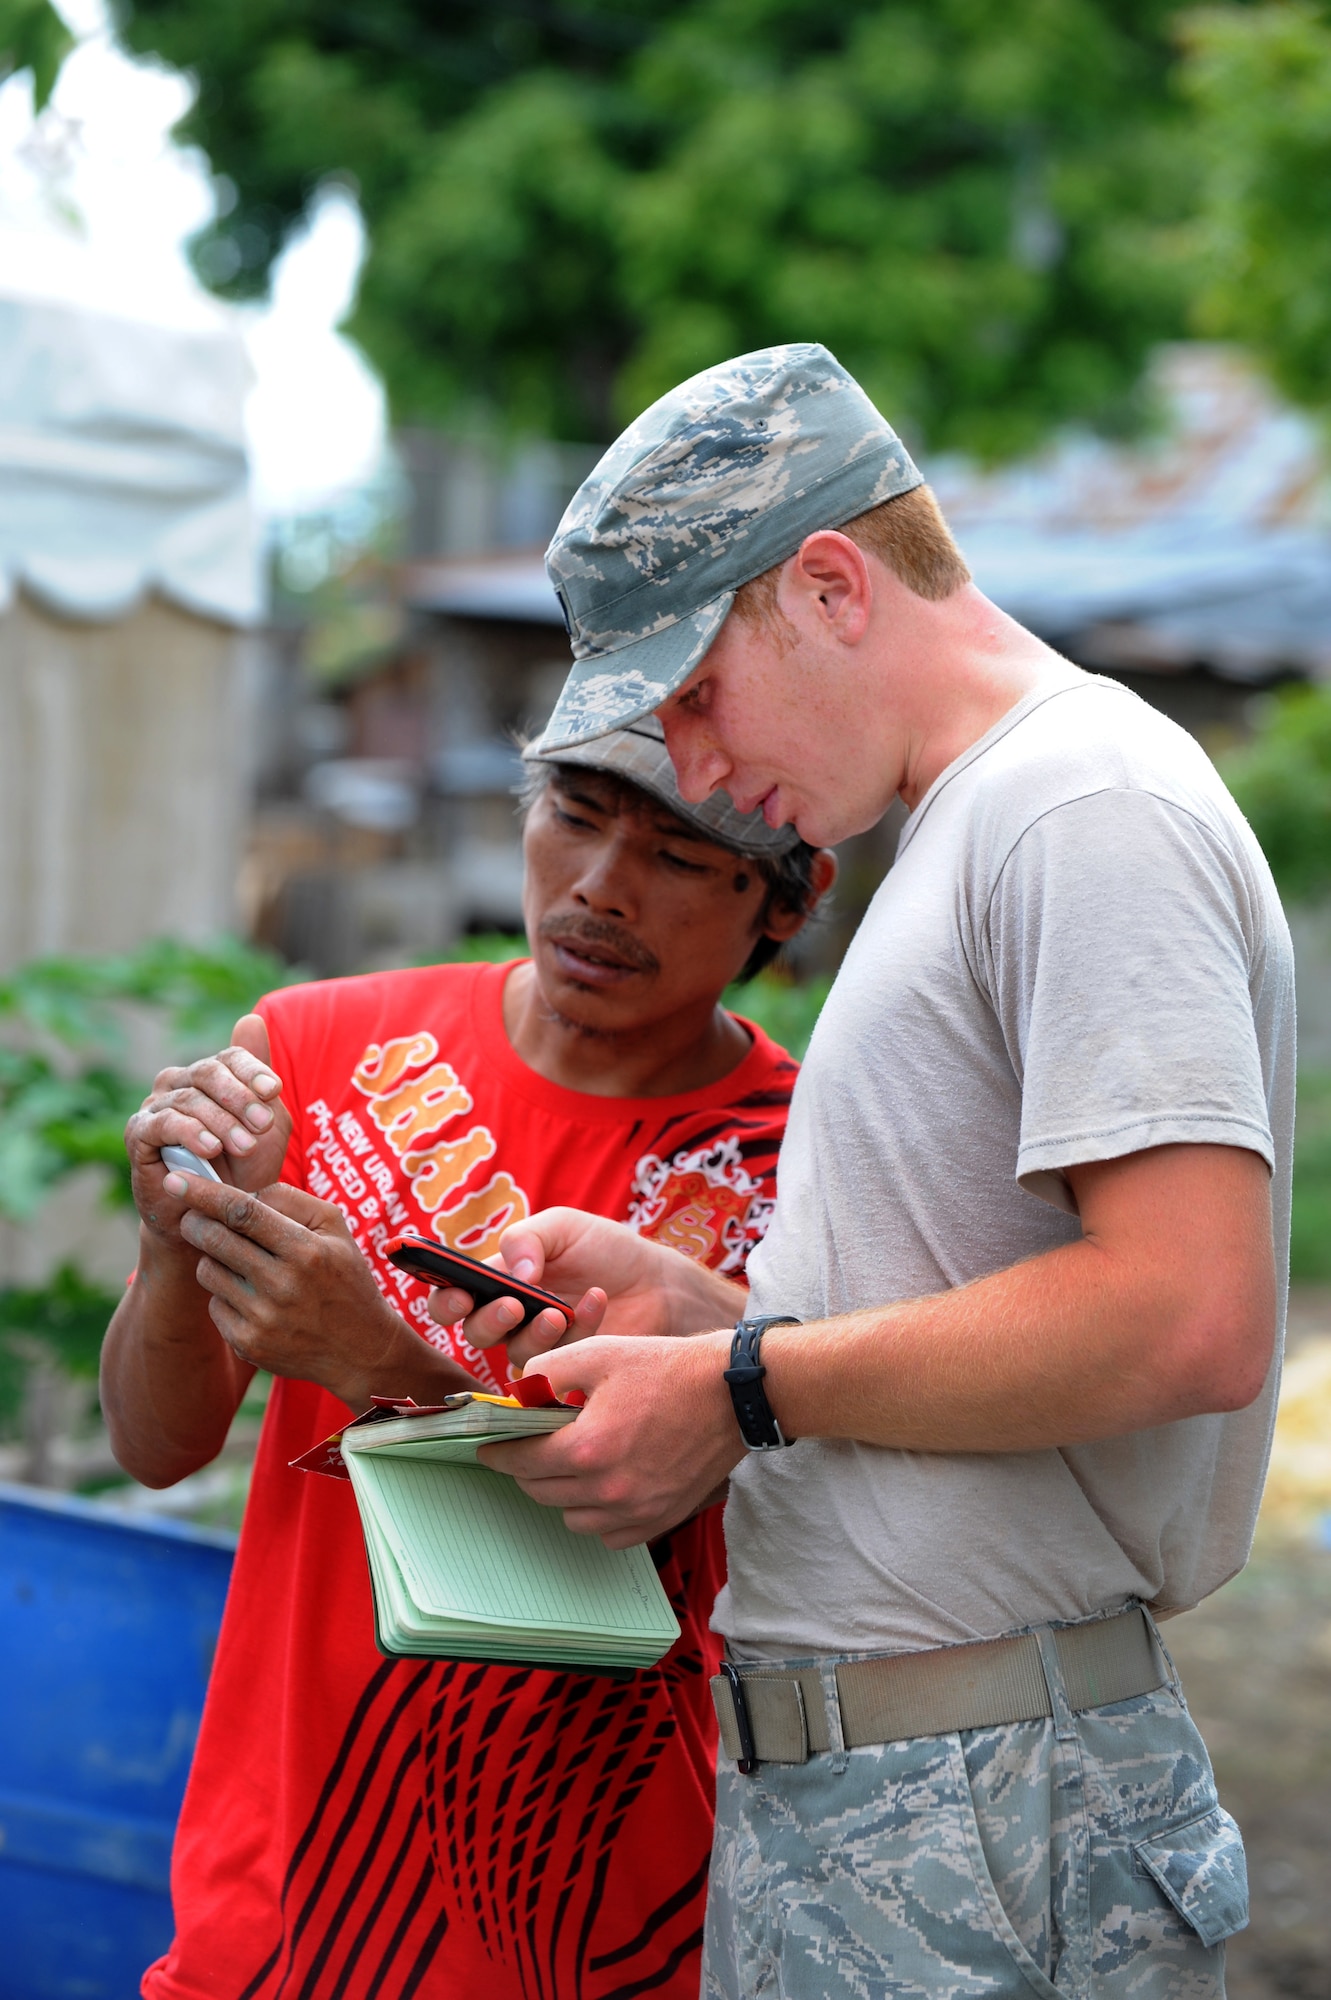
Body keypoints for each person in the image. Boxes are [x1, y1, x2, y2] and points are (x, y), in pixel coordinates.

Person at [443, 344, 1293, 2000]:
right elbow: (975, 1310)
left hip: (976, 1788)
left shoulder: (1079, 807)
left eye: (691, 690)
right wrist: (710, 1326)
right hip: (903, 1780)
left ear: (829, 585)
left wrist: (745, 1385)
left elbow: (1188, 1314)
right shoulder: (982, 820)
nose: (690, 764)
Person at [101, 719, 834, 2000]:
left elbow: (653, 1523)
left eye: (674, 851)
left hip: (585, 1910)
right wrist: (174, 1247)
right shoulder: (314, 1046)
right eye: (573, 813)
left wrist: (373, 1356)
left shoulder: (804, 1167)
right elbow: (156, 1445)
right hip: (281, 1889)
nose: (601, 884)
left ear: (787, 898)